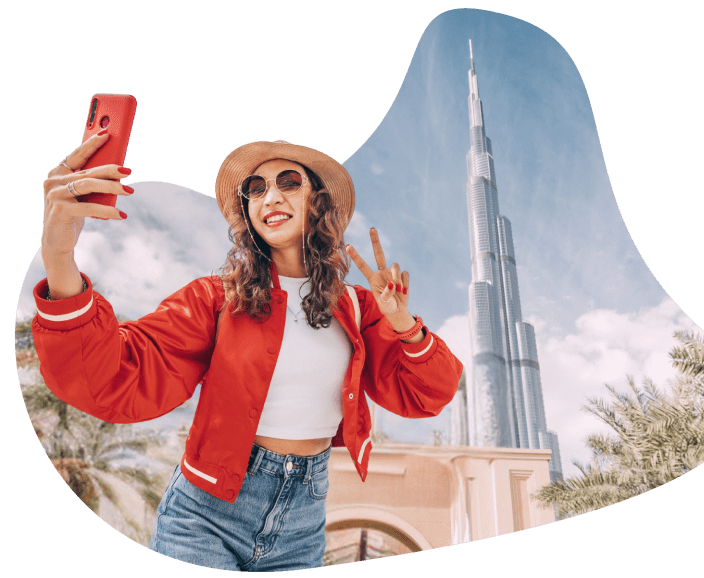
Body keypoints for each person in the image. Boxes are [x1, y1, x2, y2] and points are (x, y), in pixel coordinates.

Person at [34, 134, 463, 571]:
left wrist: (405, 326)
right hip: (203, 518)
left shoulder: (358, 308)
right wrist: (59, 257)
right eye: (256, 189)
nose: (270, 197)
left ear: (318, 201)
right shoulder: (216, 299)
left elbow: (426, 395)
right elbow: (112, 376)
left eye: (289, 182)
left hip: (303, 524)